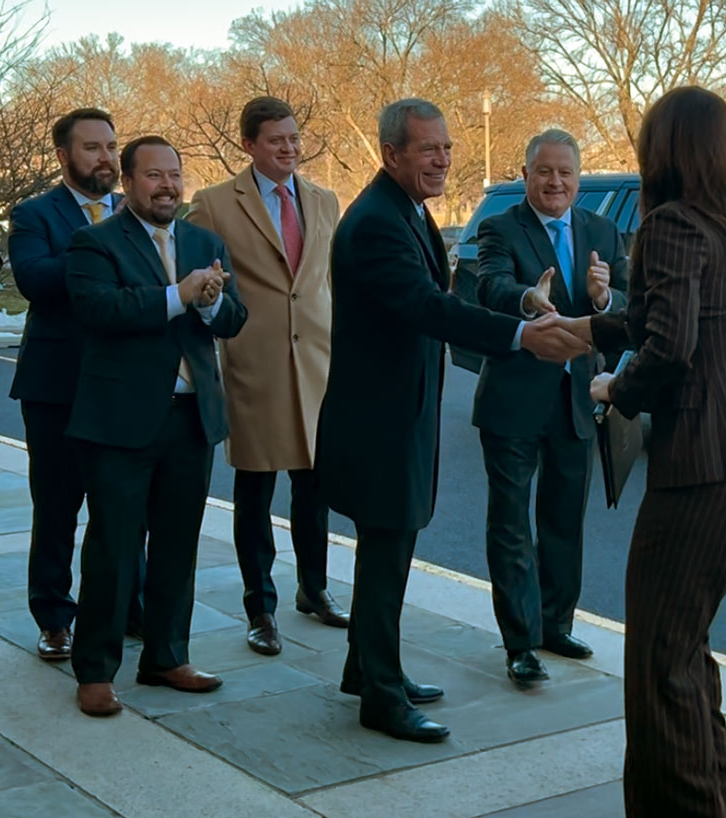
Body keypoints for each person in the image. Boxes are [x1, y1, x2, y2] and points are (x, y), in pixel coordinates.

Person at [319, 98, 589, 743]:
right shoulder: (379, 221)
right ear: (392, 154)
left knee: (391, 550)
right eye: (427, 150)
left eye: (446, 149)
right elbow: (428, 308)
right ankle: (381, 697)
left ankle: (368, 667)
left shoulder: (402, 209)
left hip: (395, 411)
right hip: (379, 420)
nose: (441, 160)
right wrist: (522, 334)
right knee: (386, 555)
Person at [561, 87, 726, 816]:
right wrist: (586, 330)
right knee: (684, 649)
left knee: (659, 660)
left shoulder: (668, 224)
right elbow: (668, 316)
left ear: (664, 150)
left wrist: (613, 391)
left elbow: (670, 347)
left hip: (703, 464)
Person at [66, 136, 247, 717]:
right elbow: (102, 311)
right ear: (128, 181)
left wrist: (212, 302)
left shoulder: (203, 240)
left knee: (177, 546)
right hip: (121, 423)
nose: (168, 186)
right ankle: (95, 671)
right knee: (114, 550)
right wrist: (178, 294)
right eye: (154, 176)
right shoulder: (93, 243)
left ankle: (168, 656)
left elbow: (234, 319)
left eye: (175, 175)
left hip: (191, 419)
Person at [188, 97, 346, 656]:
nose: (289, 148)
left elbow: (328, 280)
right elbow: (193, 273)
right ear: (249, 145)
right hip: (253, 364)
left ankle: (315, 589)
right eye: (276, 139)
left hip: (318, 364)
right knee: (255, 489)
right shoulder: (212, 204)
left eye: (294, 138)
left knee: (315, 486)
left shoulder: (325, 200)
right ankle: (261, 608)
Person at [473, 129, 628, 686]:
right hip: (514, 400)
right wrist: (526, 299)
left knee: (564, 521)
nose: (555, 182)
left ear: (578, 178)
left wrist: (606, 297)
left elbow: (630, 305)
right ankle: (520, 643)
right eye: (544, 172)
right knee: (511, 524)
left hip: (576, 401)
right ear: (526, 173)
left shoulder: (602, 231)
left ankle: (554, 624)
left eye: (565, 173)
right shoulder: (499, 228)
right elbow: (489, 286)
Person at [7, 108, 144, 662]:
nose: (108, 158)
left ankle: (124, 608)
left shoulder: (137, 212)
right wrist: (100, 250)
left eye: (112, 147)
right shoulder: (35, 213)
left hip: (124, 385)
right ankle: (55, 617)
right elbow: (36, 280)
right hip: (56, 385)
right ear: (64, 156)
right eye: (93, 148)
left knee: (124, 508)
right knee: (58, 507)